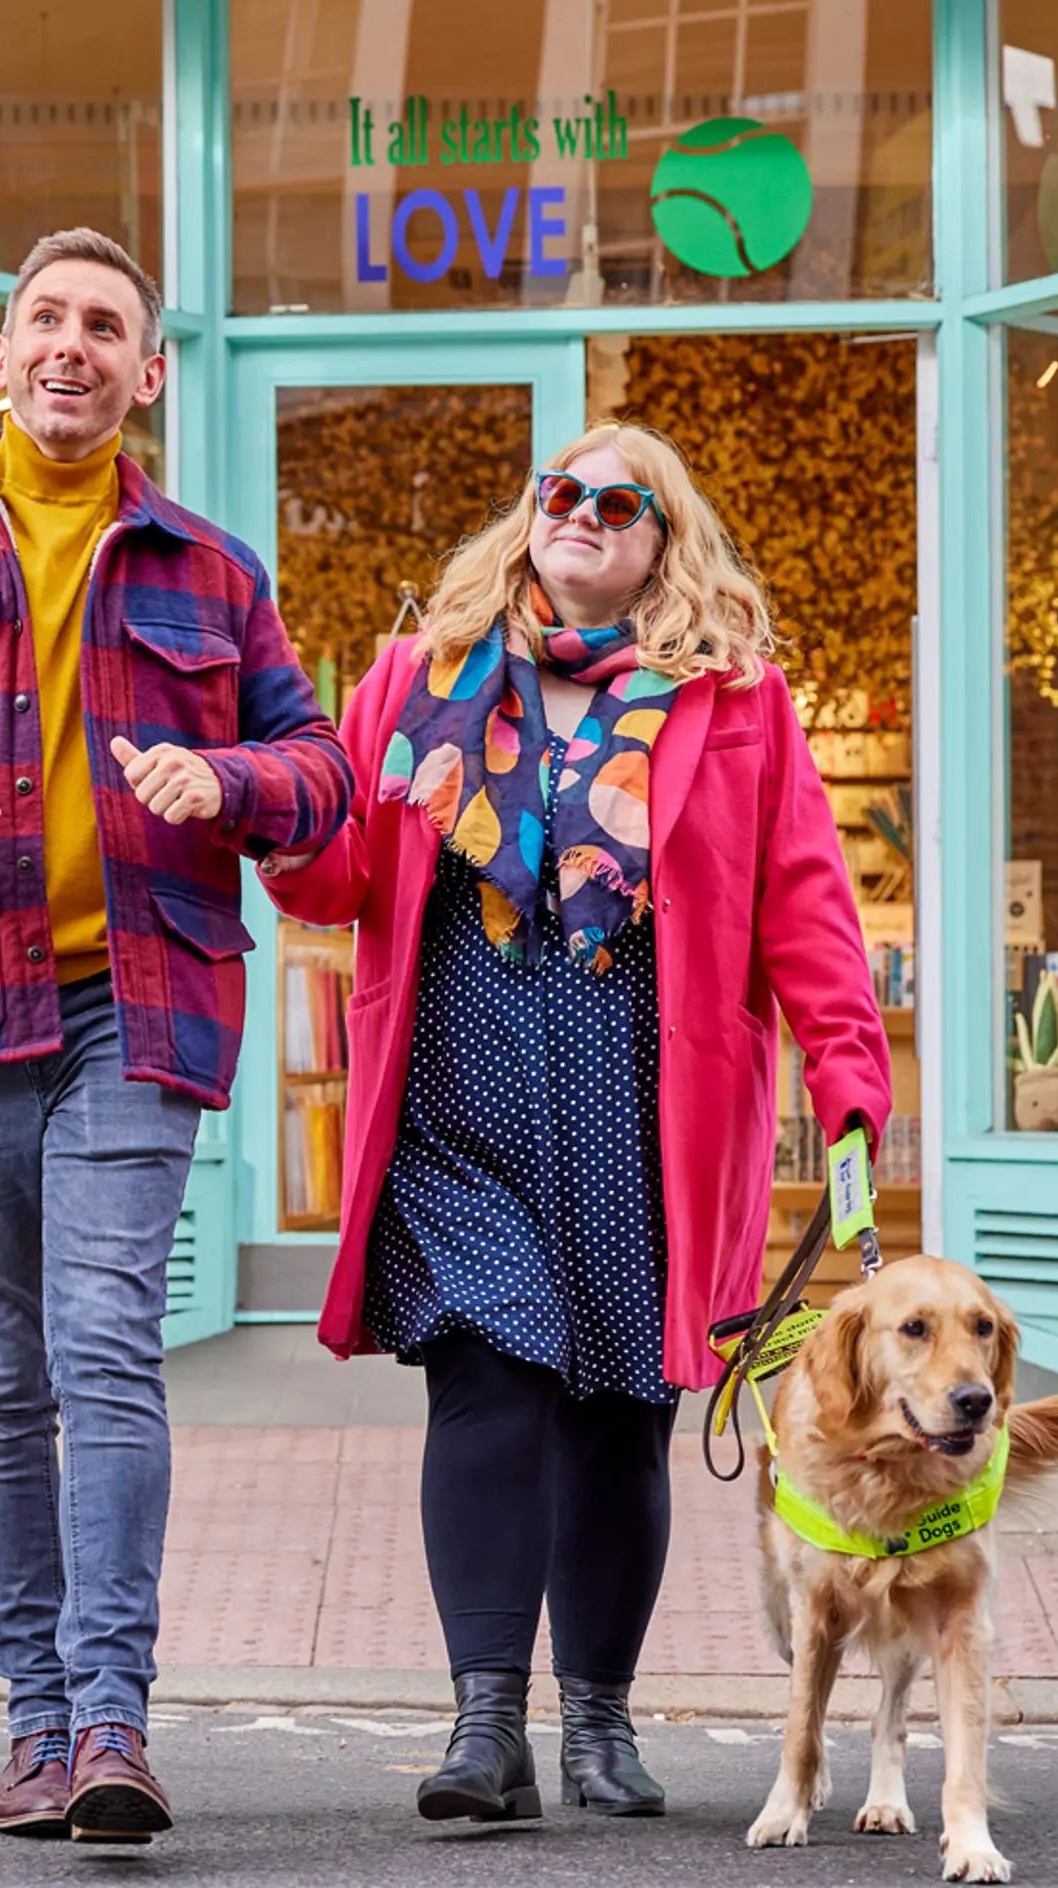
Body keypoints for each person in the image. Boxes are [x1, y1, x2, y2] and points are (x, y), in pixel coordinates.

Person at [0, 229, 354, 1846]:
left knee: (103, 1345)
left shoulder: (214, 574)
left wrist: (225, 781)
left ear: (147, 373)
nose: (72, 344)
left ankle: (110, 1722)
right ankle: (32, 1722)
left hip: (133, 1000)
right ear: (4, 354)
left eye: (107, 325)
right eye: (47, 319)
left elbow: (320, 769)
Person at [260, 424, 892, 1823]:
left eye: (625, 504)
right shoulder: (415, 681)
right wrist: (267, 819)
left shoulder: (738, 705)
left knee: (618, 1411)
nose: (587, 516)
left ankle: (599, 1718)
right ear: (529, 520)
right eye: (565, 495)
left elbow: (805, 911)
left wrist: (851, 1082)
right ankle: (487, 1724)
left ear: (667, 544)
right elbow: (338, 875)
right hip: (460, 1084)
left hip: (647, 1102)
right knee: (489, 1376)